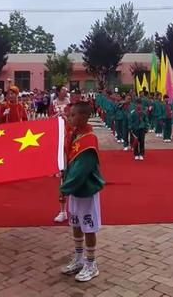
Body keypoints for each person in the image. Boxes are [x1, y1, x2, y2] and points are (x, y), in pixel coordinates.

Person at [60, 101, 104, 282]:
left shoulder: (89, 139)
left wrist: (65, 188)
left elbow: (81, 169)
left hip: (86, 189)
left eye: (73, 115)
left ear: (84, 117)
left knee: (88, 227)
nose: (69, 118)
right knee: (76, 224)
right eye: (69, 115)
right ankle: (79, 259)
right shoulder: (74, 135)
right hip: (74, 189)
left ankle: (91, 264)